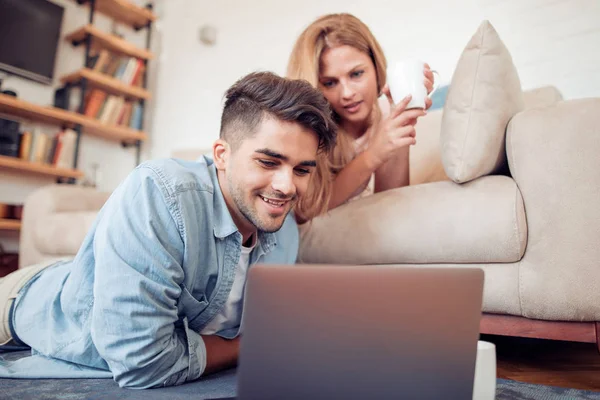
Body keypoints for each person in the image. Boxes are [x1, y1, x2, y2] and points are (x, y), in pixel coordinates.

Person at [0, 72, 336, 388]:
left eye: (302, 170)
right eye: (268, 162)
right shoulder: (159, 192)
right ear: (222, 155)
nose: (286, 186)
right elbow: (142, 362)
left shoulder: (285, 232)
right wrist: (247, 346)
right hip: (23, 303)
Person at [287, 13, 435, 222]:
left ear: (376, 66)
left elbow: (390, 204)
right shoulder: (309, 130)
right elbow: (305, 212)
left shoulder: (384, 111)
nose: (347, 93)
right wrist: (373, 155)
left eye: (356, 74)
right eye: (330, 83)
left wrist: (400, 121)